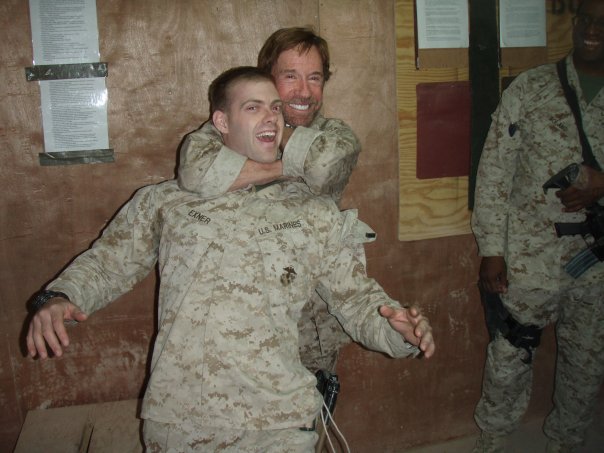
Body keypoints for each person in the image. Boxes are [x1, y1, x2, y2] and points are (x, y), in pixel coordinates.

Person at [26, 67, 435, 452]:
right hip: (180, 421)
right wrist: (59, 297)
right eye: (253, 107)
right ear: (221, 122)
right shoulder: (167, 201)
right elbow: (108, 263)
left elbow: (358, 300)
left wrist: (398, 331)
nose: (271, 117)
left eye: (275, 108)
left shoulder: (315, 212)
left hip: (279, 423)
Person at [178, 27, 361, 374]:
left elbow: (324, 167)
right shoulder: (229, 124)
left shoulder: (335, 135)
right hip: (238, 320)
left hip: (309, 323)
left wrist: (279, 134)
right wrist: (288, 167)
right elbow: (194, 170)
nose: (304, 91)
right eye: (290, 76)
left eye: (314, 78)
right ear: (268, 77)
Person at [471, 1, 604, 452]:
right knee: (511, 351)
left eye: (603, 22)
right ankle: (493, 436)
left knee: (587, 359)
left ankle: (566, 440)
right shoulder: (532, 87)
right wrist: (492, 248)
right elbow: (494, 172)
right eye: (586, 19)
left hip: (596, 261)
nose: (593, 29)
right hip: (530, 255)